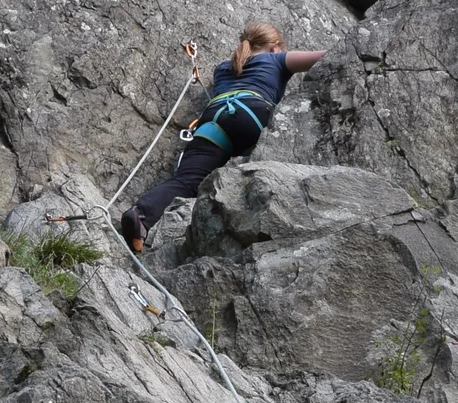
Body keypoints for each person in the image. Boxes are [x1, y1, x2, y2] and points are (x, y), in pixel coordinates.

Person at [116, 24, 324, 249]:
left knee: (186, 181)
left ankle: (141, 215)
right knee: (259, 175)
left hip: (212, 120)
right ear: (274, 47)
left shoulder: (224, 67)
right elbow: (328, 57)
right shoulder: (277, 59)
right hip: (251, 113)